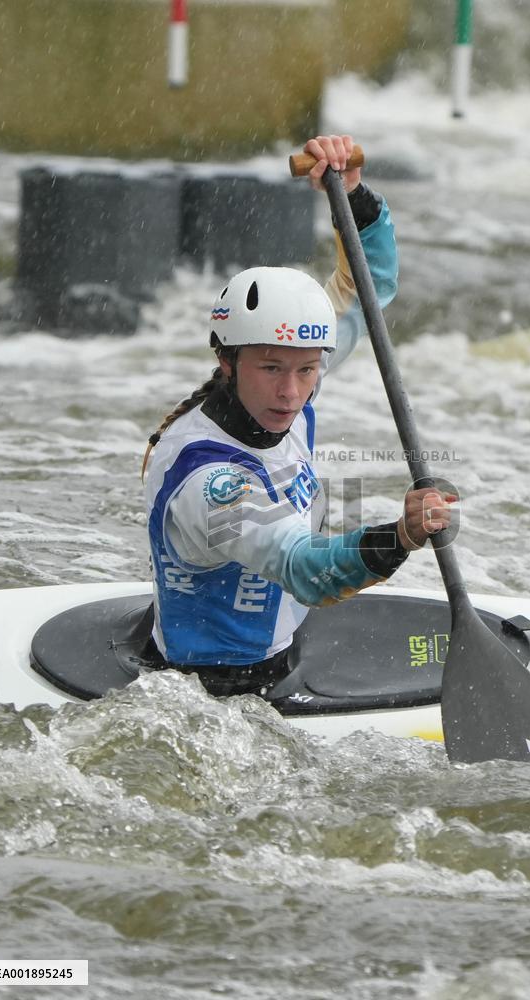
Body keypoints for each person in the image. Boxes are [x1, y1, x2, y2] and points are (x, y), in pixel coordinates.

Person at [142, 134, 455, 696]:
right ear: (227, 360)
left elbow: (370, 289)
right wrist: (403, 535)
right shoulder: (209, 482)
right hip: (219, 690)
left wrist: (352, 195)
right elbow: (306, 570)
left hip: (287, 641)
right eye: (271, 369)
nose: (291, 393)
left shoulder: (290, 387)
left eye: (309, 369)